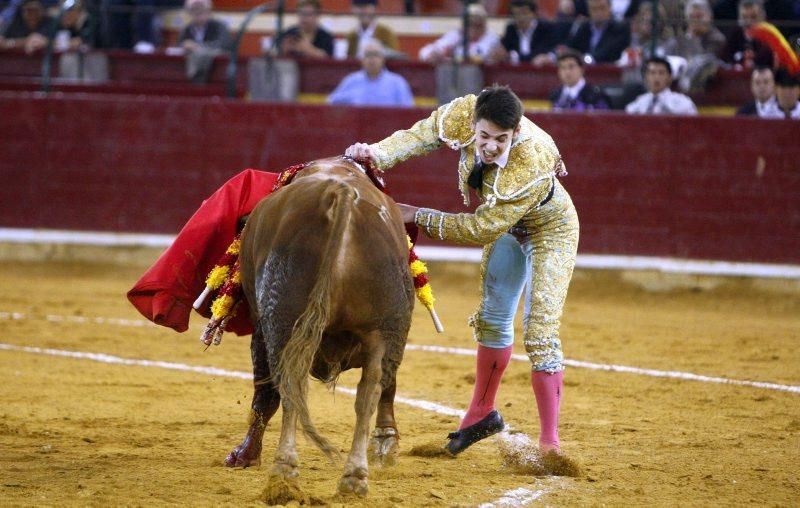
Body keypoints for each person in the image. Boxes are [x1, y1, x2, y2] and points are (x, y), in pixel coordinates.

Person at [344, 85, 580, 464]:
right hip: (506, 225)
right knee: (491, 320)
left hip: (550, 229)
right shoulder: (464, 112)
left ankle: (550, 443)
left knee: (540, 331)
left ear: (516, 133)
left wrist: (417, 215)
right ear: (474, 123)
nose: (489, 147)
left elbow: (481, 229)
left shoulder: (530, 162)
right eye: (484, 136)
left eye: (501, 140)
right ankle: (481, 413)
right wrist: (376, 154)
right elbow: (422, 135)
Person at [663, 0, 726, 92]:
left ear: (709, 17)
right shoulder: (677, 40)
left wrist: (693, 38)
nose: (695, 20)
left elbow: (704, 62)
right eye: (692, 17)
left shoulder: (717, 39)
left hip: (706, 89)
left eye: (699, 16)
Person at [328, 39, 414, 106]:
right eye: (368, 55)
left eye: (375, 54)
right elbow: (331, 102)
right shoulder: (351, 81)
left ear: (383, 58)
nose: (372, 59)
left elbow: (408, 111)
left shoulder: (397, 83)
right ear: (362, 60)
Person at [418, 3, 500, 64]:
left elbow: (481, 57)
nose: (473, 28)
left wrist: (449, 57)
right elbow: (424, 51)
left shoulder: (492, 38)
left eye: (477, 25)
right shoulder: (455, 35)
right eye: (469, 23)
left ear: (484, 25)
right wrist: (432, 55)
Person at [491, 0, 558, 65]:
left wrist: (513, 57)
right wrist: (499, 53)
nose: (520, 18)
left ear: (534, 14)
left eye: (524, 13)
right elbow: (504, 51)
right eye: (516, 14)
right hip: (515, 72)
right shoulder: (511, 29)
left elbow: (539, 54)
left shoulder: (545, 28)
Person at [625, 56, 698, 114]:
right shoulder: (639, 103)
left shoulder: (683, 103)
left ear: (669, 77)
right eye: (652, 73)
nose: (656, 77)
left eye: (661, 73)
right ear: (646, 77)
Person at [565, 0, 631, 63]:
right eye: (594, 9)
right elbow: (573, 47)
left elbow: (611, 50)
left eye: (602, 8)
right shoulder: (584, 27)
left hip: (609, 70)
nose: (598, 13)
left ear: (610, 8)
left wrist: (589, 59)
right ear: (589, 10)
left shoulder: (620, 28)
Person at [718, 0, 773, 69]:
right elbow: (725, 58)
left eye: (753, 17)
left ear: (763, 17)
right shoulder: (735, 32)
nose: (748, 22)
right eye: (744, 17)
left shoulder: (770, 34)